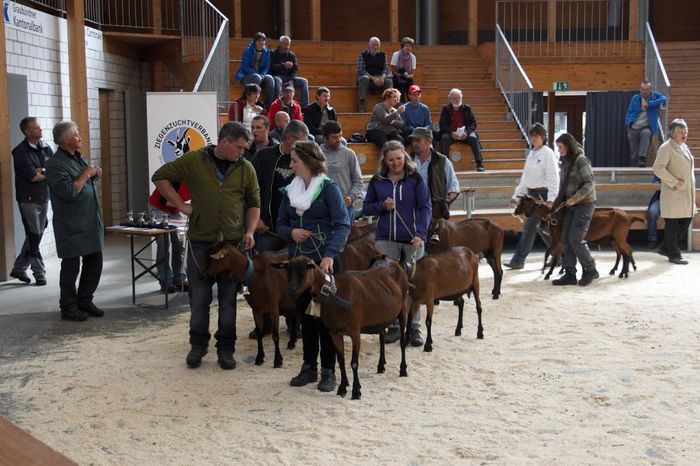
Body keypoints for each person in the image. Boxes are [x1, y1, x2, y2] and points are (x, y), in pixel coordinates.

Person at [152, 122, 261, 370]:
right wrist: (181, 205)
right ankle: (198, 346)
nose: (242, 152)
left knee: (228, 299)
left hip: (232, 246)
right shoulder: (194, 160)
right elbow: (160, 176)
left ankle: (226, 349)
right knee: (199, 299)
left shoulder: (246, 168)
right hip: (201, 243)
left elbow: (254, 202)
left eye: (245, 148)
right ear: (225, 142)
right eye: (240, 147)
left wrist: (251, 231)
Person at [277, 141, 351, 392]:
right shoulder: (289, 191)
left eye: (294, 160)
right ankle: (309, 367)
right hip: (299, 267)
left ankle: (329, 370)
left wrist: (330, 255)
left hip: (324, 265)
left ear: (308, 162)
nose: (290, 164)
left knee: (325, 319)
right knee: (306, 318)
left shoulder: (329, 189)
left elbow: (342, 224)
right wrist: (292, 231)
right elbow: (279, 225)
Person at [362, 140, 431, 346]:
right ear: (385, 159)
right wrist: (381, 206)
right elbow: (366, 208)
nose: (395, 163)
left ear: (405, 157)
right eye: (391, 160)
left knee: (413, 286)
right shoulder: (377, 180)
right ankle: (393, 325)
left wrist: (421, 233)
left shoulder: (416, 179)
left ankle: (414, 328)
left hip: (412, 240)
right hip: (386, 240)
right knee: (390, 287)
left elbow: (426, 207)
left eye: (399, 158)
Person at [45, 121, 104, 322]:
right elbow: (68, 191)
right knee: (71, 267)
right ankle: (68, 306)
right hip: (71, 223)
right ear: (66, 139)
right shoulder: (54, 164)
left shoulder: (78, 158)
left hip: (89, 221)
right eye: (76, 134)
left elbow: (84, 182)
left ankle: (85, 299)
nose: (80, 137)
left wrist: (93, 174)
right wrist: (87, 173)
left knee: (95, 262)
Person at [506, 123, 560, 269]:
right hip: (530, 195)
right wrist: (516, 196)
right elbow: (525, 179)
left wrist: (551, 199)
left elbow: (553, 177)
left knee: (530, 228)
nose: (533, 138)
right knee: (539, 228)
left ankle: (518, 260)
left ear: (543, 137)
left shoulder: (548, 153)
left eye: (536, 135)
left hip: (542, 196)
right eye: (532, 136)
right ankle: (559, 254)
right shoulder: (531, 154)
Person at [251, 120, 310, 253]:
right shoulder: (263, 156)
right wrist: (255, 218)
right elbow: (249, 191)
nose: (306, 145)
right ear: (289, 139)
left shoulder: (306, 159)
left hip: (295, 229)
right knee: (267, 269)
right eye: (303, 141)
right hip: (267, 228)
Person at [9, 117, 53, 286]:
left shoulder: (45, 147)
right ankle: (39, 272)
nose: (40, 130)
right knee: (35, 234)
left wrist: (43, 171)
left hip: (43, 197)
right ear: (27, 132)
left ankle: (20, 268)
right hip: (28, 199)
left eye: (40, 127)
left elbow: (53, 167)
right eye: (37, 128)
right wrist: (43, 172)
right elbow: (34, 177)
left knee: (36, 233)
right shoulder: (20, 152)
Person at [551, 133, 599, 286]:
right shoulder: (565, 162)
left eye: (560, 147)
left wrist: (575, 198)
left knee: (575, 239)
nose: (559, 150)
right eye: (557, 147)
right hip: (570, 205)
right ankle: (570, 273)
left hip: (584, 204)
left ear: (567, 145)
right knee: (565, 239)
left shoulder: (581, 160)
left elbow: (590, 183)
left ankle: (590, 269)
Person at [653, 119, 696, 265]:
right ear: (672, 133)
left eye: (686, 132)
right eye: (681, 132)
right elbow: (657, 168)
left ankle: (666, 247)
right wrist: (674, 182)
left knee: (686, 221)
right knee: (673, 225)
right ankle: (674, 254)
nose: (684, 135)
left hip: (686, 194)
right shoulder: (666, 148)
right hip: (674, 193)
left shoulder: (684, 147)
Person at [409, 126, 459, 221]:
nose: (414, 143)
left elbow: (454, 188)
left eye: (418, 140)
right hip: (411, 213)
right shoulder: (407, 161)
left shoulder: (443, 161)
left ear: (428, 142)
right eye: (413, 141)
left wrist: (444, 204)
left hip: (435, 216)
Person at [147, 182, 190, 293]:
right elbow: (163, 200)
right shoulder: (178, 179)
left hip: (174, 210)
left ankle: (179, 278)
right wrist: (185, 208)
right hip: (158, 207)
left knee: (179, 244)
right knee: (163, 244)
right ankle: (165, 280)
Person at [320, 121, 364, 222]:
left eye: (340, 136)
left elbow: (358, 181)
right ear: (325, 138)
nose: (339, 140)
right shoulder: (317, 154)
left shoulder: (349, 154)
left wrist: (351, 197)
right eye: (334, 137)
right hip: (323, 208)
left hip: (346, 207)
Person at [439, 88, 485, 172]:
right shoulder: (446, 109)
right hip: (451, 134)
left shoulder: (467, 108)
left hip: (465, 133)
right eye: (454, 98)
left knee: (473, 138)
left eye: (458, 98)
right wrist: (451, 132)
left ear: (461, 98)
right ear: (450, 98)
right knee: (444, 138)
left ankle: (479, 164)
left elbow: (473, 124)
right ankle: (445, 165)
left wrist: (466, 133)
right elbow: (442, 125)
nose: (456, 100)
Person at [625, 81, 667, 167]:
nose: (645, 91)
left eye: (647, 89)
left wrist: (650, 104)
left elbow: (664, 98)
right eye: (643, 89)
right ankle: (634, 164)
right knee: (633, 149)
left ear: (650, 89)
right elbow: (630, 111)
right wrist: (628, 123)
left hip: (646, 126)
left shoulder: (655, 96)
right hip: (634, 126)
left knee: (646, 133)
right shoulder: (635, 98)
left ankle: (642, 159)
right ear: (640, 90)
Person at [234, 32, 279, 109]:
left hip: (260, 75)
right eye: (259, 41)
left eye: (263, 41)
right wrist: (257, 74)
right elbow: (245, 67)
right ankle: (254, 102)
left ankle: (269, 106)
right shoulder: (247, 50)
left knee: (270, 79)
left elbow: (266, 67)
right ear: (255, 41)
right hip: (246, 75)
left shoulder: (267, 52)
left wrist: (262, 75)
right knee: (256, 77)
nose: (261, 43)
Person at [270, 35, 310, 109]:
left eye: (288, 45)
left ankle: (304, 106)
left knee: (304, 81)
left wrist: (293, 79)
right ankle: (278, 104)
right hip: (277, 76)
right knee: (277, 80)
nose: (287, 47)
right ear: (279, 43)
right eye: (285, 44)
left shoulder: (291, 55)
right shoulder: (273, 53)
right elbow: (271, 67)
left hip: (289, 77)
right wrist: (283, 66)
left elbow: (295, 69)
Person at [356, 37, 393, 112]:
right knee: (364, 78)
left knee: (389, 81)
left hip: (379, 78)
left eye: (377, 45)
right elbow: (361, 70)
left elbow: (385, 69)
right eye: (373, 45)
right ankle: (361, 103)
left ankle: (389, 104)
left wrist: (382, 77)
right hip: (367, 78)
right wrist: (373, 78)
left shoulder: (383, 55)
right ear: (369, 45)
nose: (375, 47)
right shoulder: (362, 54)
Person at [390, 37, 416, 103]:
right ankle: (401, 103)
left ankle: (411, 102)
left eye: (410, 46)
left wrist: (408, 76)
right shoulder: (396, 54)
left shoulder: (413, 57)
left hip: (407, 76)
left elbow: (412, 73)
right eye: (406, 46)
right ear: (402, 47)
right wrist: (400, 75)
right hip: (396, 75)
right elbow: (393, 70)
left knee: (410, 83)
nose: (408, 48)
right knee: (400, 83)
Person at [646, 176, 661, 249]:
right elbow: (655, 182)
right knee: (652, 212)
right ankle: (652, 239)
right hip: (660, 199)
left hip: (675, 199)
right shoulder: (662, 168)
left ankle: (674, 240)